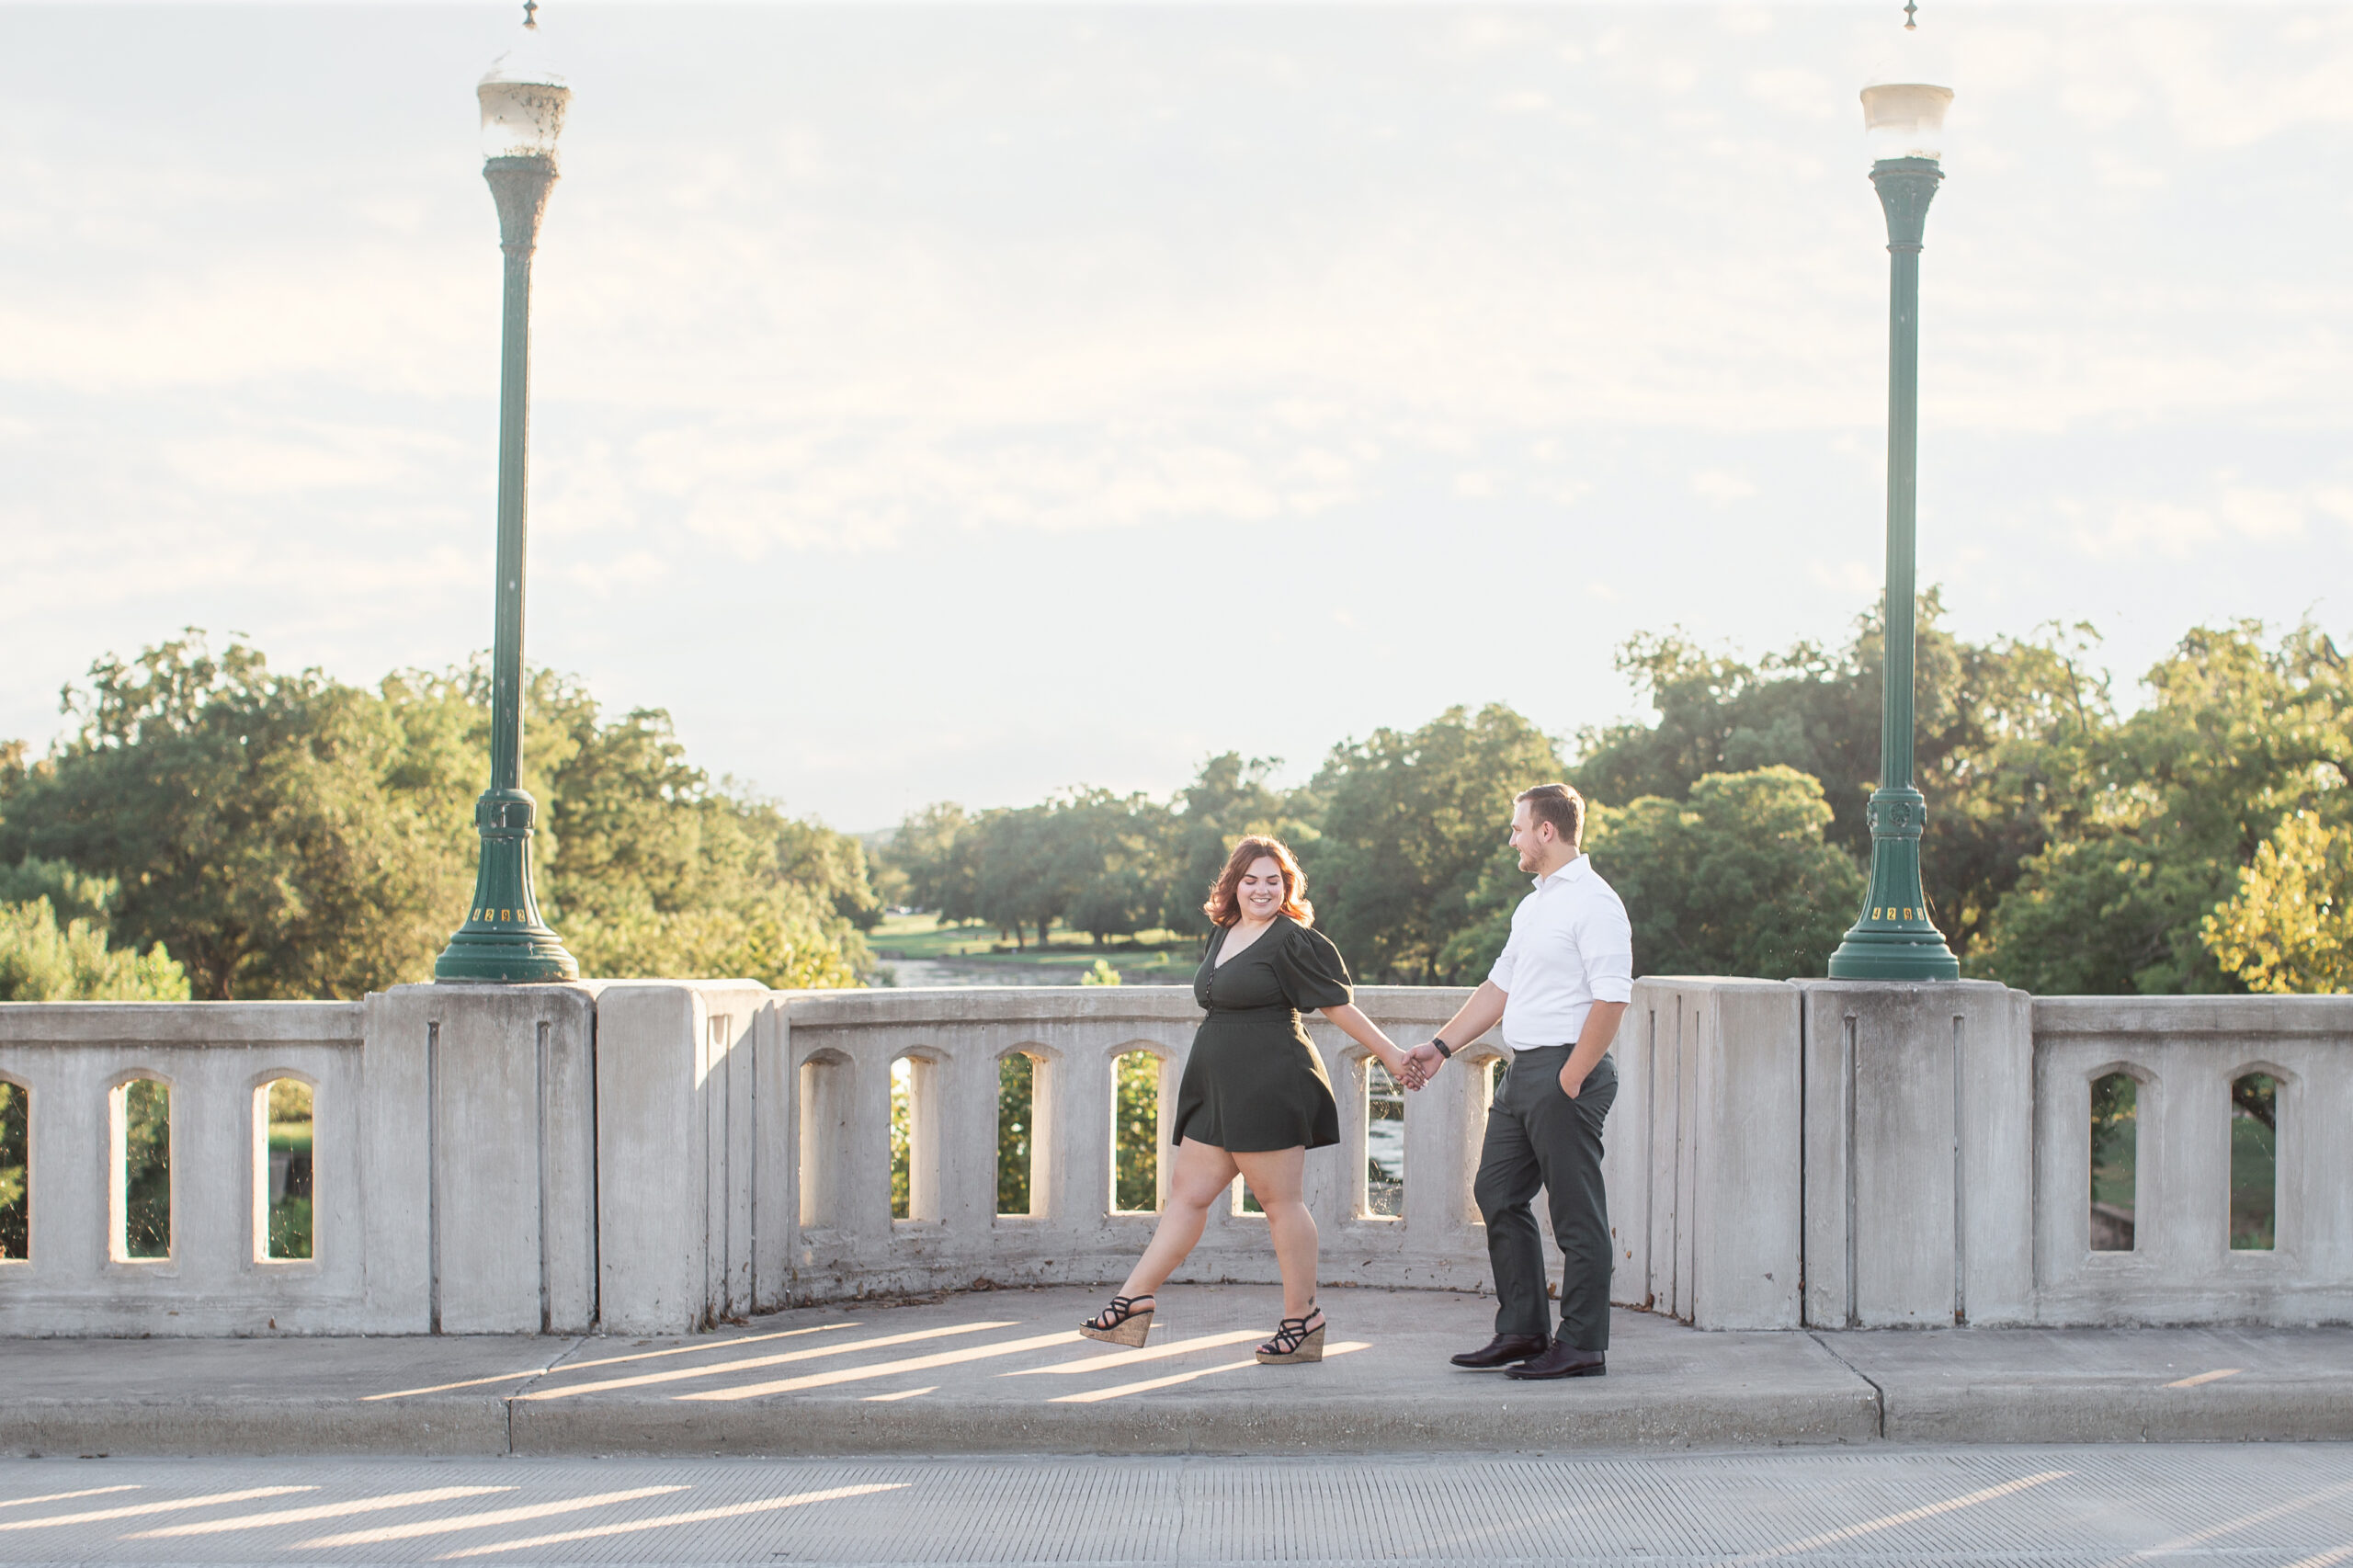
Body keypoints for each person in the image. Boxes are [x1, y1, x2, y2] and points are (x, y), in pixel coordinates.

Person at [1081, 835, 1414, 1364]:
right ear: (1233, 884)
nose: (1262, 890)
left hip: (1269, 1082)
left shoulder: (1289, 940)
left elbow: (1336, 1006)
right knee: (1187, 1194)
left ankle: (1302, 1321)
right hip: (1217, 1085)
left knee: (1280, 1203)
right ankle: (1134, 1299)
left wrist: (1393, 1056)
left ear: (1288, 887)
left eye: (1273, 881)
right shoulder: (1226, 931)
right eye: (1251, 879)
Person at [1401, 783, 1631, 1381]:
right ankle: (1524, 1328)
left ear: (1546, 832)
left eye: (1517, 828)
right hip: (1523, 1069)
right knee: (1497, 1192)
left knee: (1576, 1215)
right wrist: (1443, 1046)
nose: (1513, 839)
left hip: (1563, 1072)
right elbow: (1498, 989)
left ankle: (1582, 1344)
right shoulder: (1533, 906)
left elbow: (1612, 998)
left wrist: (1573, 1075)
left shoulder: (1596, 903)